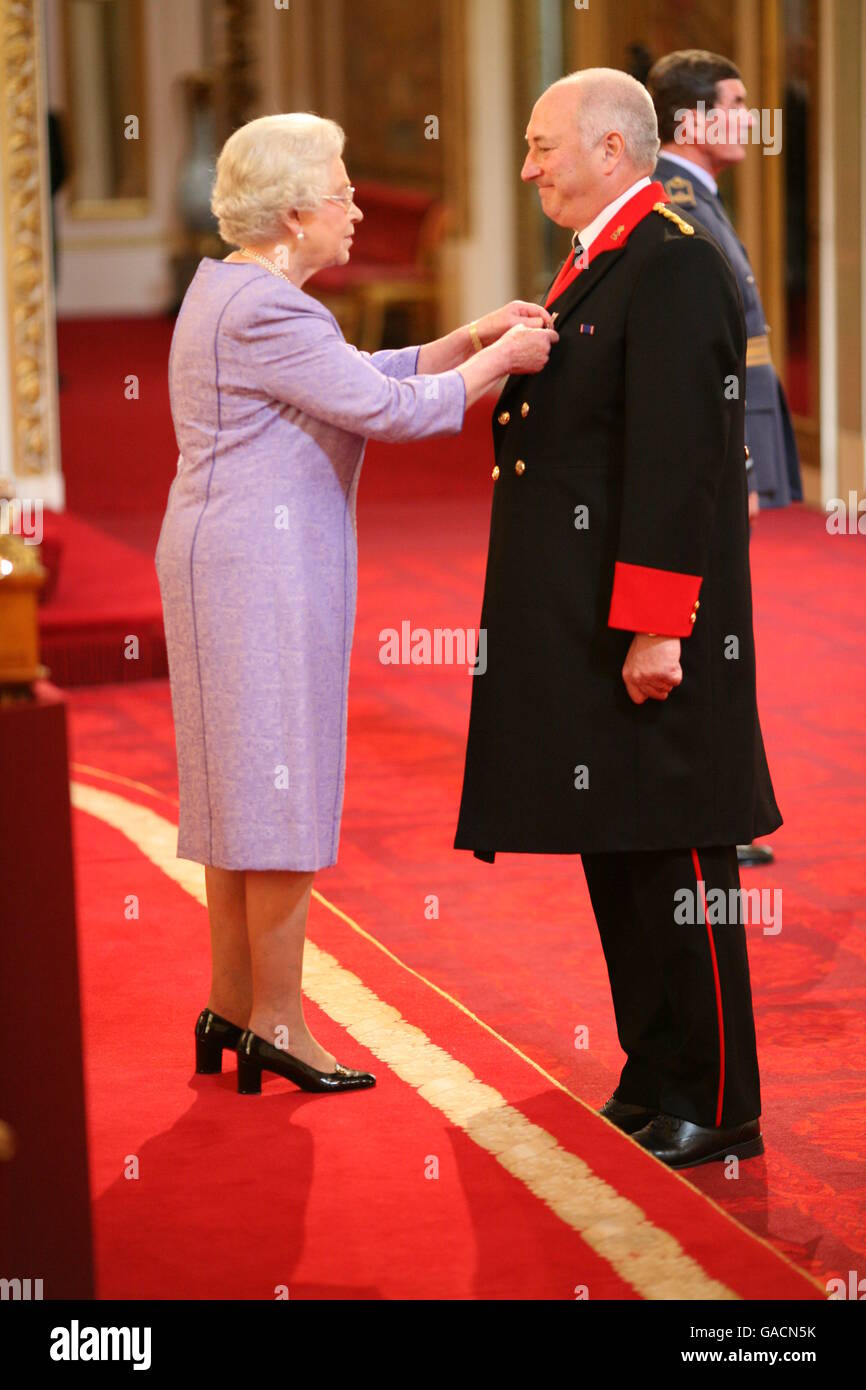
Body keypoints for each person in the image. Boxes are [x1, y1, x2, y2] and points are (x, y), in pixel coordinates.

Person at [155, 113, 556, 1098]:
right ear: (295, 213)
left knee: (237, 783)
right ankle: (280, 1021)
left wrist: (461, 338)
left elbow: (353, 380)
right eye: (342, 190)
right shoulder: (275, 310)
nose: (356, 208)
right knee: (278, 782)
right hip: (262, 565)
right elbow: (389, 411)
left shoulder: (232, 290)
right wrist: (496, 365)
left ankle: (233, 999)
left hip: (221, 553)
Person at [453, 69, 782, 1168]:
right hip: (592, 623)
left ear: (607, 145)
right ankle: (654, 1067)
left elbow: (680, 464)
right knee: (620, 849)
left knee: (678, 858)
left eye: (541, 145)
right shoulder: (608, 255)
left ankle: (718, 1095)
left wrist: (655, 625)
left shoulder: (673, 258)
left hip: (653, 628)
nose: (527, 164)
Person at [648, 48, 801, 868]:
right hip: (719, 451)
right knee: (706, 633)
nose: (752, 118)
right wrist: (737, 463)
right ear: (693, 121)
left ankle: (722, 805)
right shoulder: (679, 205)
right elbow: (706, 360)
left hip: (731, 444)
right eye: (737, 103)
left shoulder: (697, 198)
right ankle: (710, 809)